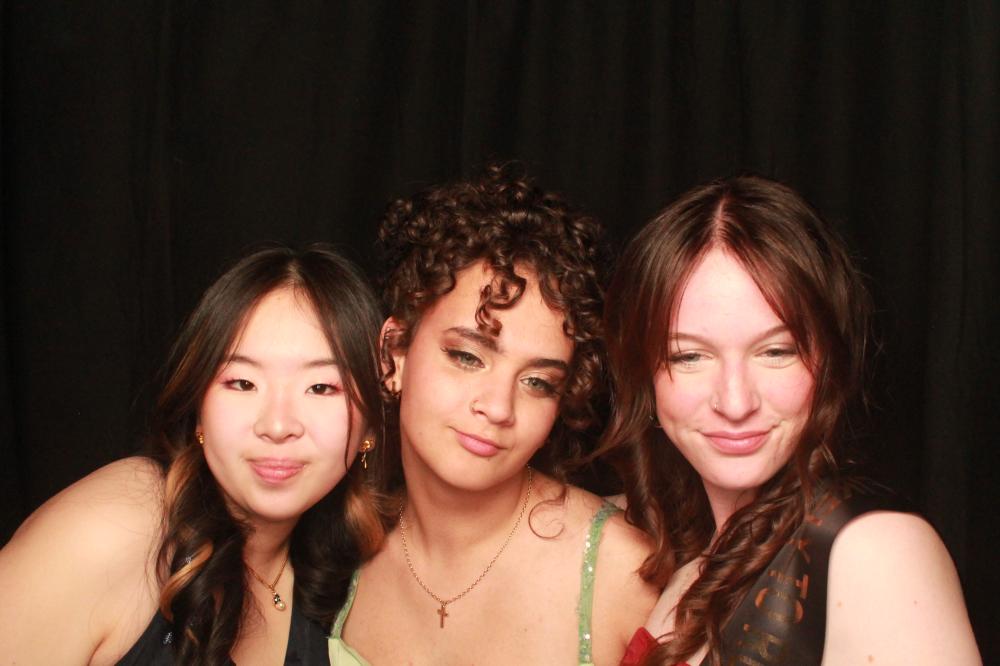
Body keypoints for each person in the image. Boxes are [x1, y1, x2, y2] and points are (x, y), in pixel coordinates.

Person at [600, 175, 981, 665]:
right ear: (644, 374)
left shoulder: (875, 550)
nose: (735, 402)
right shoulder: (686, 553)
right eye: (689, 356)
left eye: (776, 351)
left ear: (829, 359)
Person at [328, 164, 658, 665]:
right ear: (394, 353)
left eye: (538, 382)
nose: (499, 407)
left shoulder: (622, 573)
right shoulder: (336, 556)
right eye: (467, 357)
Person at [0, 245, 387, 664]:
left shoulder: (345, 578)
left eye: (321, 388)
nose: (277, 426)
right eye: (242, 383)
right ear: (198, 407)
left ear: (370, 425)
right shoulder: (121, 525)